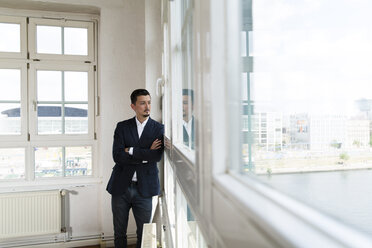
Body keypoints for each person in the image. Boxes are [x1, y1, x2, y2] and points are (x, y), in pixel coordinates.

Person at [106, 89, 164, 248]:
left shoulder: (158, 128)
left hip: (145, 189)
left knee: (144, 233)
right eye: (143, 103)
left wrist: (130, 150)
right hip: (121, 187)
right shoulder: (122, 127)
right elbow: (117, 156)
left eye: (149, 102)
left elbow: (156, 156)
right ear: (133, 106)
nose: (147, 107)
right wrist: (145, 154)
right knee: (119, 232)